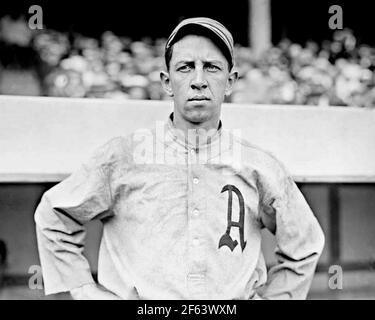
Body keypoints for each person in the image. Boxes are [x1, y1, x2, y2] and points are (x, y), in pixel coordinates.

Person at [34, 17, 325, 300]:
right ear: (167, 82)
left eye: (211, 67)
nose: (198, 80)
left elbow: (305, 243)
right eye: (186, 67)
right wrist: (84, 289)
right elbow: (54, 214)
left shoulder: (258, 165)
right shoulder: (123, 156)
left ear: (230, 81)